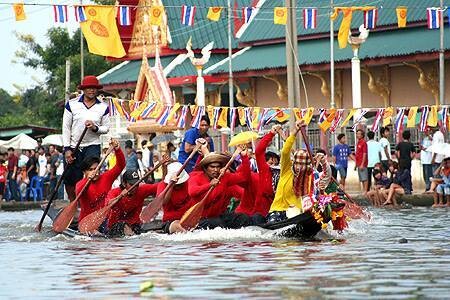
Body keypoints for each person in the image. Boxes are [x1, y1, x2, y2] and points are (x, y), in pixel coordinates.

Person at [268, 121, 331, 223]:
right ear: (294, 162)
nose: (299, 168)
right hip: (277, 210)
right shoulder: (286, 170)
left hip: (297, 213)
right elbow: (285, 152)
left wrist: (323, 161)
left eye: (302, 165)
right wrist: (295, 131)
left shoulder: (308, 176)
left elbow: (327, 175)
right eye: (297, 164)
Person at [63, 75, 110, 201]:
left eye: (94, 88)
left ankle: (90, 203)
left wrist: (95, 127)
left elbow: (106, 128)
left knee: (92, 175)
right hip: (73, 146)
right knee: (70, 178)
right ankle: (73, 204)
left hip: (92, 145)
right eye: (89, 88)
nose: (92, 90)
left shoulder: (103, 107)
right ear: (83, 89)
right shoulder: (71, 105)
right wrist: (67, 149)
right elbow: (66, 128)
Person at [76, 139, 125, 229]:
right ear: (84, 172)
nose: (95, 172)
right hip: (87, 223)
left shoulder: (106, 177)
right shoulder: (80, 184)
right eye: (91, 169)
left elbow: (120, 166)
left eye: (97, 169)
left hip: (104, 220)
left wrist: (117, 150)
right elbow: (79, 192)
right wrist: (88, 181)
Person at [106, 170, 158, 237]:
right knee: (124, 226)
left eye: (137, 184)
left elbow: (161, 185)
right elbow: (109, 205)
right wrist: (120, 196)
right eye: (131, 184)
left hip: (135, 226)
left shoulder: (142, 189)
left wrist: (165, 170)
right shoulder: (114, 192)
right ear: (124, 183)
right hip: (115, 227)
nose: (135, 187)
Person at [158, 161, 193, 232]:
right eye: (177, 184)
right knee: (178, 226)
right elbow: (163, 202)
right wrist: (171, 185)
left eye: (180, 184)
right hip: (171, 221)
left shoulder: (189, 182)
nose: (178, 185)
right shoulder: (162, 185)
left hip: (188, 218)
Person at [355, 129, 369, 195]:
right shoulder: (358, 142)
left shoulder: (364, 142)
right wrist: (356, 164)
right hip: (359, 163)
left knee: (365, 177)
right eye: (357, 134)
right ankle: (363, 190)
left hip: (362, 163)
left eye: (359, 134)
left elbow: (364, 153)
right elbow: (357, 154)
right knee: (361, 178)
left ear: (362, 135)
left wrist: (362, 164)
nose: (357, 135)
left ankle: (365, 190)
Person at [420, 127, 433, 192]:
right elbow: (421, 147)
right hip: (423, 160)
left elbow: (432, 141)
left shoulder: (431, 138)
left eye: (427, 131)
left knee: (428, 174)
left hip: (429, 160)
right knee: (424, 174)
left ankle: (429, 187)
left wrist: (429, 134)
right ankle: (427, 185)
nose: (426, 132)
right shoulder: (424, 139)